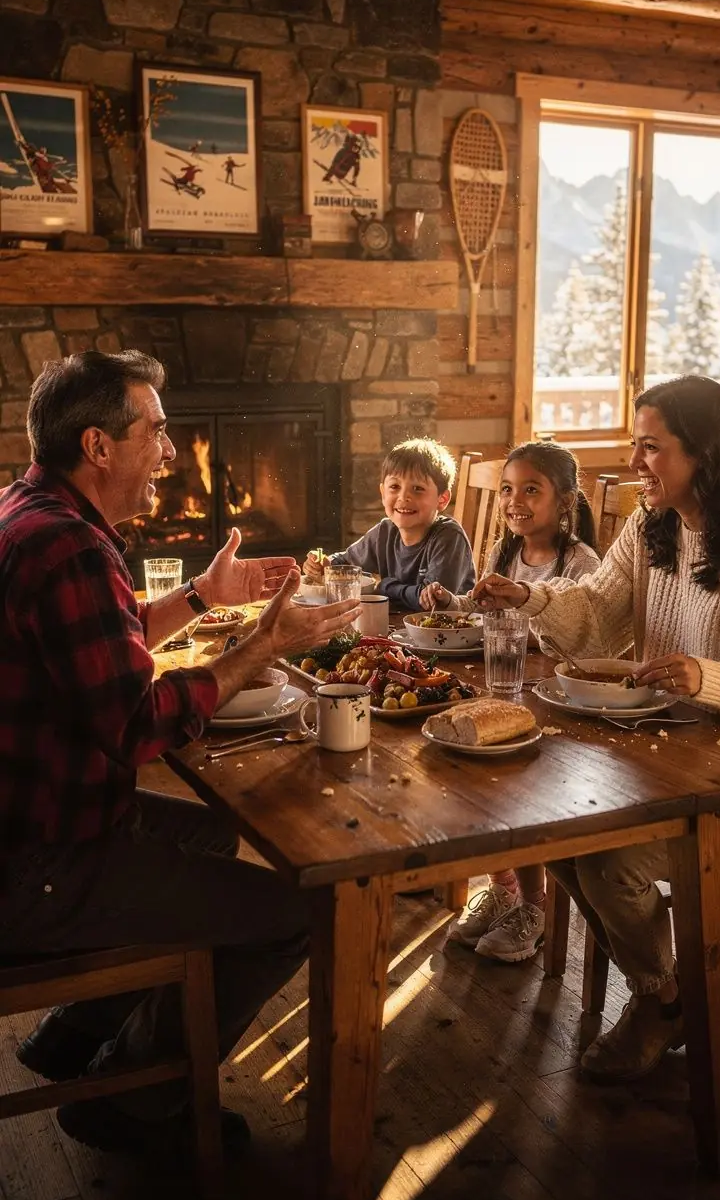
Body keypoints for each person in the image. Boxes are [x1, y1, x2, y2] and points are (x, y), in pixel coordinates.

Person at [0, 350, 359, 1158]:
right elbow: (135, 726)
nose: (170, 452)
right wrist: (258, 647)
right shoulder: (71, 552)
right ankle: (133, 1102)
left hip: (37, 825)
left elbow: (101, 650)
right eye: (157, 433)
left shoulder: (29, 512)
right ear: (98, 446)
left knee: (205, 834)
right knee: (291, 916)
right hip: (36, 864)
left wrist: (201, 598)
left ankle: (71, 1038)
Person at [469, 377, 720, 1081]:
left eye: (650, 447)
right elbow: (597, 611)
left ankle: (660, 1005)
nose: (633, 462)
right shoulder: (651, 526)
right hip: (676, 759)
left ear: (706, 454)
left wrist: (707, 678)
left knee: (607, 861)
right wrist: (529, 595)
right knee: (556, 833)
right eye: (635, 444)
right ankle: (669, 992)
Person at [421, 441, 601, 962]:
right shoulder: (504, 553)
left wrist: (525, 615)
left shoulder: (581, 562)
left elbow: (582, 643)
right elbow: (484, 614)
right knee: (462, 765)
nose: (514, 500)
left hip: (557, 704)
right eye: (506, 489)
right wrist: (452, 602)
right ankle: (504, 886)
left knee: (515, 787)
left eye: (531, 489)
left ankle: (535, 904)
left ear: (565, 501)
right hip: (507, 689)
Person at [303, 437, 475, 611]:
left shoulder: (449, 537)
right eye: (394, 487)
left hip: (447, 632)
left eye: (418, 489)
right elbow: (346, 563)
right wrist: (324, 564)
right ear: (383, 493)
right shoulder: (385, 531)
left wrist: (385, 586)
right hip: (396, 627)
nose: (403, 497)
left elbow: (431, 601)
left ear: (442, 499)